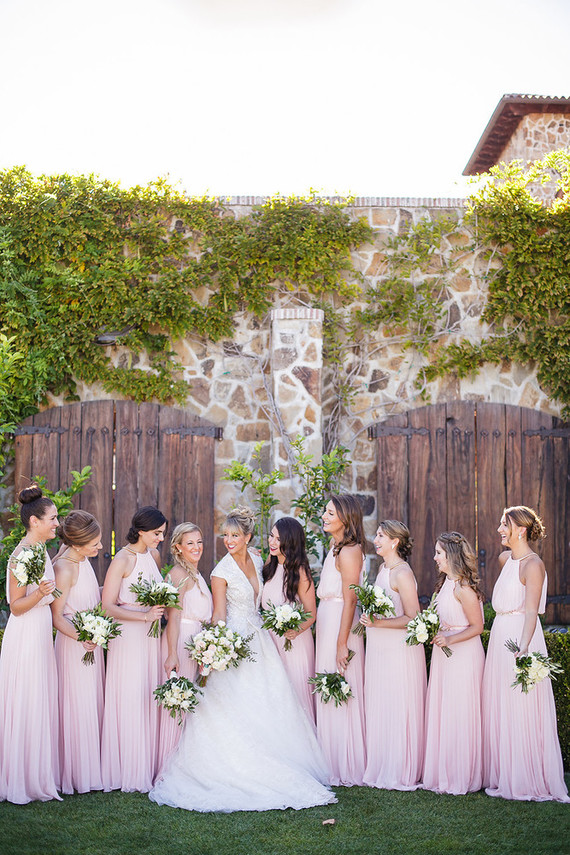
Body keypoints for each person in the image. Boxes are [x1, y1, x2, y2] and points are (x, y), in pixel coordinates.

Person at [149, 506, 334, 812]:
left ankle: (278, 758)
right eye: (225, 535)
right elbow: (219, 613)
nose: (228, 540)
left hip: (260, 640)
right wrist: (218, 644)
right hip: (234, 642)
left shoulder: (261, 559)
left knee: (269, 701)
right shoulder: (219, 572)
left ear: (248, 537)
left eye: (235, 535)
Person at [482, 505, 569, 802]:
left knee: (522, 707)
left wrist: (524, 647)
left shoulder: (533, 565)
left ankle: (525, 776)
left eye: (503, 525)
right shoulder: (505, 558)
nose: (499, 530)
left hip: (521, 638)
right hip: (499, 636)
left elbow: (532, 610)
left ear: (520, 529)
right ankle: (504, 771)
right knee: (500, 704)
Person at [0, 485, 61, 803]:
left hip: (39, 633)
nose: (56, 523)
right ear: (34, 521)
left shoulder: (40, 551)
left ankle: (37, 773)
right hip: (24, 634)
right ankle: (21, 779)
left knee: (38, 699)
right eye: (52, 518)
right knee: (27, 700)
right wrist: (39, 594)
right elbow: (15, 605)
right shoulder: (21, 554)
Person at [100, 506, 167, 793]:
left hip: (150, 637)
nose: (161, 539)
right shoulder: (122, 559)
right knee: (130, 695)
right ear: (141, 531)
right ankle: (126, 769)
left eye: (163, 533)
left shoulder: (153, 556)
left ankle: (148, 765)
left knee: (147, 693)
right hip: (128, 635)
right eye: (157, 533)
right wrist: (143, 616)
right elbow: (107, 605)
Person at [360, 520, 426, 790]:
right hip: (380, 649)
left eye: (381, 536)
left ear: (395, 542)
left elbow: (413, 617)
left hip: (399, 651)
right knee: (383, 703)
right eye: (376, 535)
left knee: (399, 704)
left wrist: (379, 623)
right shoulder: (383, 570)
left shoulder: (402, 573)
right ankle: (383, 763)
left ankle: (400, 768)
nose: (376, 539)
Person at [423, 531, 485, 795]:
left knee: (459, 711)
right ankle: (443, 772)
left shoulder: (463, 587)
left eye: (438, 553)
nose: (435, 557)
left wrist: (450, 638)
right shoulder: (444, 585)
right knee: (444, 710)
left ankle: (461, 775)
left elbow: (478, 627)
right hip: (445, 654)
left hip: (463, 655)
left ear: (451, 556)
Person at [51, 511, 105, 794]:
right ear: (78, 542)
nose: (100, 547)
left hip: (89, 643)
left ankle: (90, 767)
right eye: (95, 543)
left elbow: (87, 595)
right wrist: (84, 637)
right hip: (74, 647)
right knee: (77, 704)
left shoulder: (82, 560)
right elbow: (57, 617)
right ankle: (75, 774)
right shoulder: (65, 568)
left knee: (90, 702)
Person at [315, 495, 366, 786]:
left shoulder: (349, 551)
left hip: (340, 623)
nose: (324, 515)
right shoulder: (335, 546)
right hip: (328, 619)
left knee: (340, 684)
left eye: (330, 512)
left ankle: (344, 764)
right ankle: (328, 759)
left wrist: (341, 642)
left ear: (345, 518)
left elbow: (350, 600)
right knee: (328, 685)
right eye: (325, 511)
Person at [156, 523, 213, 773]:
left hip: (195, 643)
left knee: (190, 704)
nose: (196, 547)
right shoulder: (178, 575)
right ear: (178, 547)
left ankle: (187, 763)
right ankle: (170, 766)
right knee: (178, 703)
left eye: (199, 541)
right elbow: (173, 617)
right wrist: (171, 653)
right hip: (180, 642)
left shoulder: (197, 574)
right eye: (190, 543)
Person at [262, 516, 317, 723]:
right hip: (271, 643)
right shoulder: (271, 565)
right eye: (271, 536)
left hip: (294, 643)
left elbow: (311, 613)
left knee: (296, 696)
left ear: (290, 542)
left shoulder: (300, 572)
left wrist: (296, 630)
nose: (272, 542)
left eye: (278, 539)